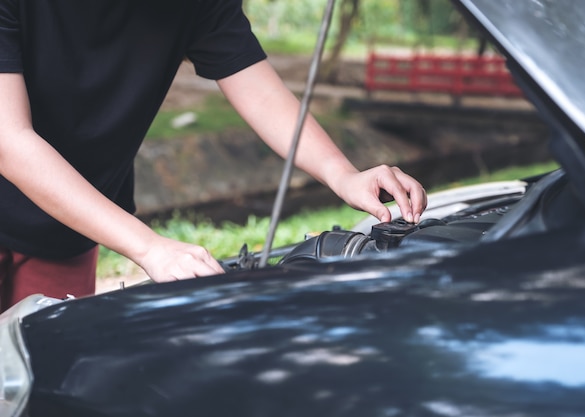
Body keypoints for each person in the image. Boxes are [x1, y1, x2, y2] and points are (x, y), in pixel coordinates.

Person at [0, 0, 427, 311]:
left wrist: (344, 174)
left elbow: (258, 89)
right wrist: (150, 247)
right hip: (39, 185)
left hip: (68, 224)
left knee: (35, 376)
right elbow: (10, 139)